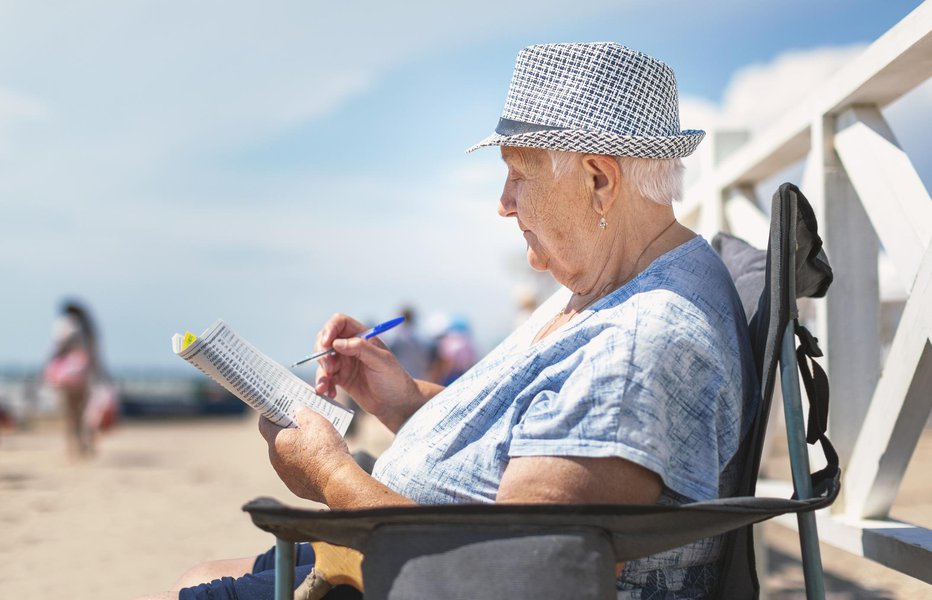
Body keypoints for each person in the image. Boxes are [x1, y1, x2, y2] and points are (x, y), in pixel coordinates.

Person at [145, 42, 758, 600]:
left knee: (190, 591)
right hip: (407, 550)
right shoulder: (618, 283)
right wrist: (404, 400)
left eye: (520, 174)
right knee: (199, 579)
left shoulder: (635, 346)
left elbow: (515, 576)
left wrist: (330, 475)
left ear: (599, 180)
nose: (503, 202)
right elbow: (525, 438)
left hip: (422, 574)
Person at [43, 301, 104, 458]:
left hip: (68, 374)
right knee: (84, 412)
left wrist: (46, 367)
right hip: (84, 372)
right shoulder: (88, 328)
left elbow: (57, 347)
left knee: (70, 413)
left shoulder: (65, 326)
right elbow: (95, 354)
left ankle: (73, 447)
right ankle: (87, 444)